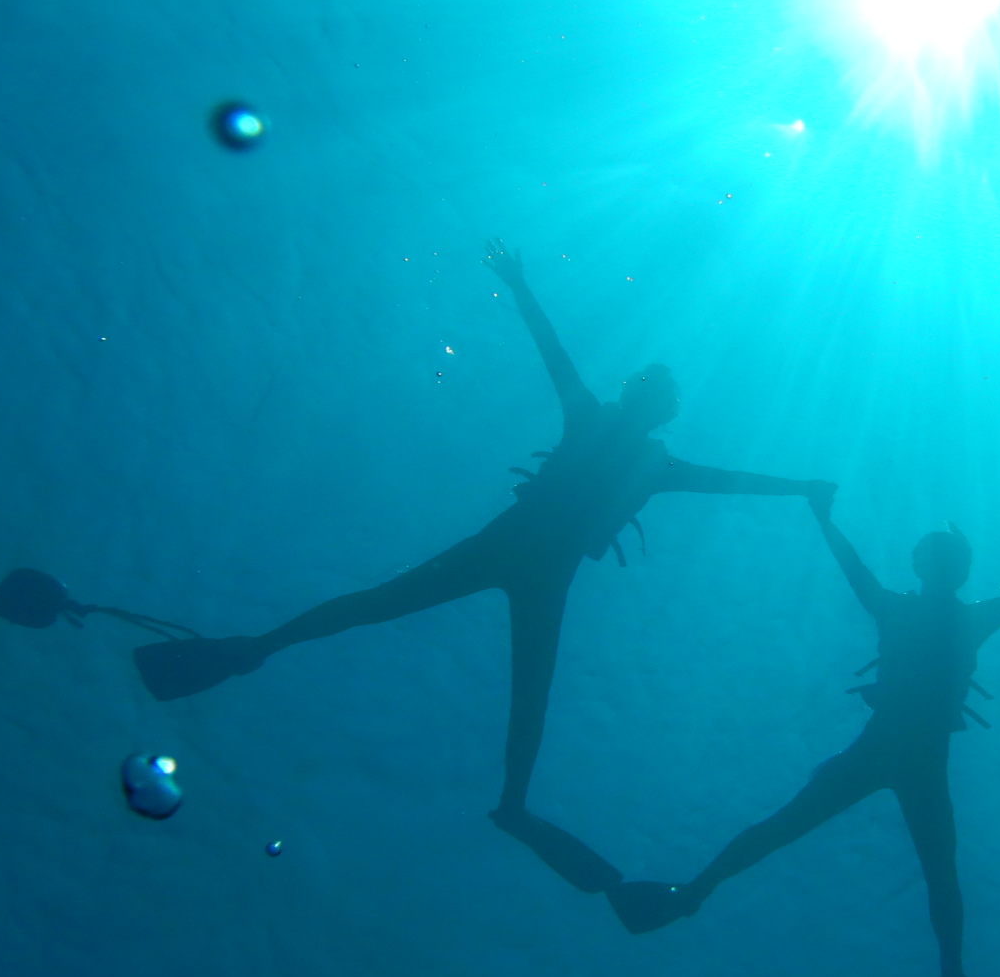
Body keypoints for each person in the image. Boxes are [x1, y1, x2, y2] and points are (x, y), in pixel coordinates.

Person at [133, 240, 832, 893]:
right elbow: (559, 355)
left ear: (649, 404)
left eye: (652, 394)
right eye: (648, 389)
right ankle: (271, 654)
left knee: (503, 669)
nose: (645, 399)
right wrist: (520, 283)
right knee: (418, 622)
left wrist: (801, 488)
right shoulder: (626, 444)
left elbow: (726, 476)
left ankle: (506, 799)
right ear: (645, 401)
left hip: (529, 561)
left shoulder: (631, 448)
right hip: (525, 557)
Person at [608, 485, 1000, 977]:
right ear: (939, 567)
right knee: (925, 866)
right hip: (910, 757)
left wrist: (826, 519)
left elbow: (864, 569)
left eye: (939, 555)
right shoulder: (961, 617)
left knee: (804, 832)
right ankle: (952, 975)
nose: (935, 562)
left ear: (931, 565)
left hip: (887, 752)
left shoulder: (907, 608)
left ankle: (694, 892)